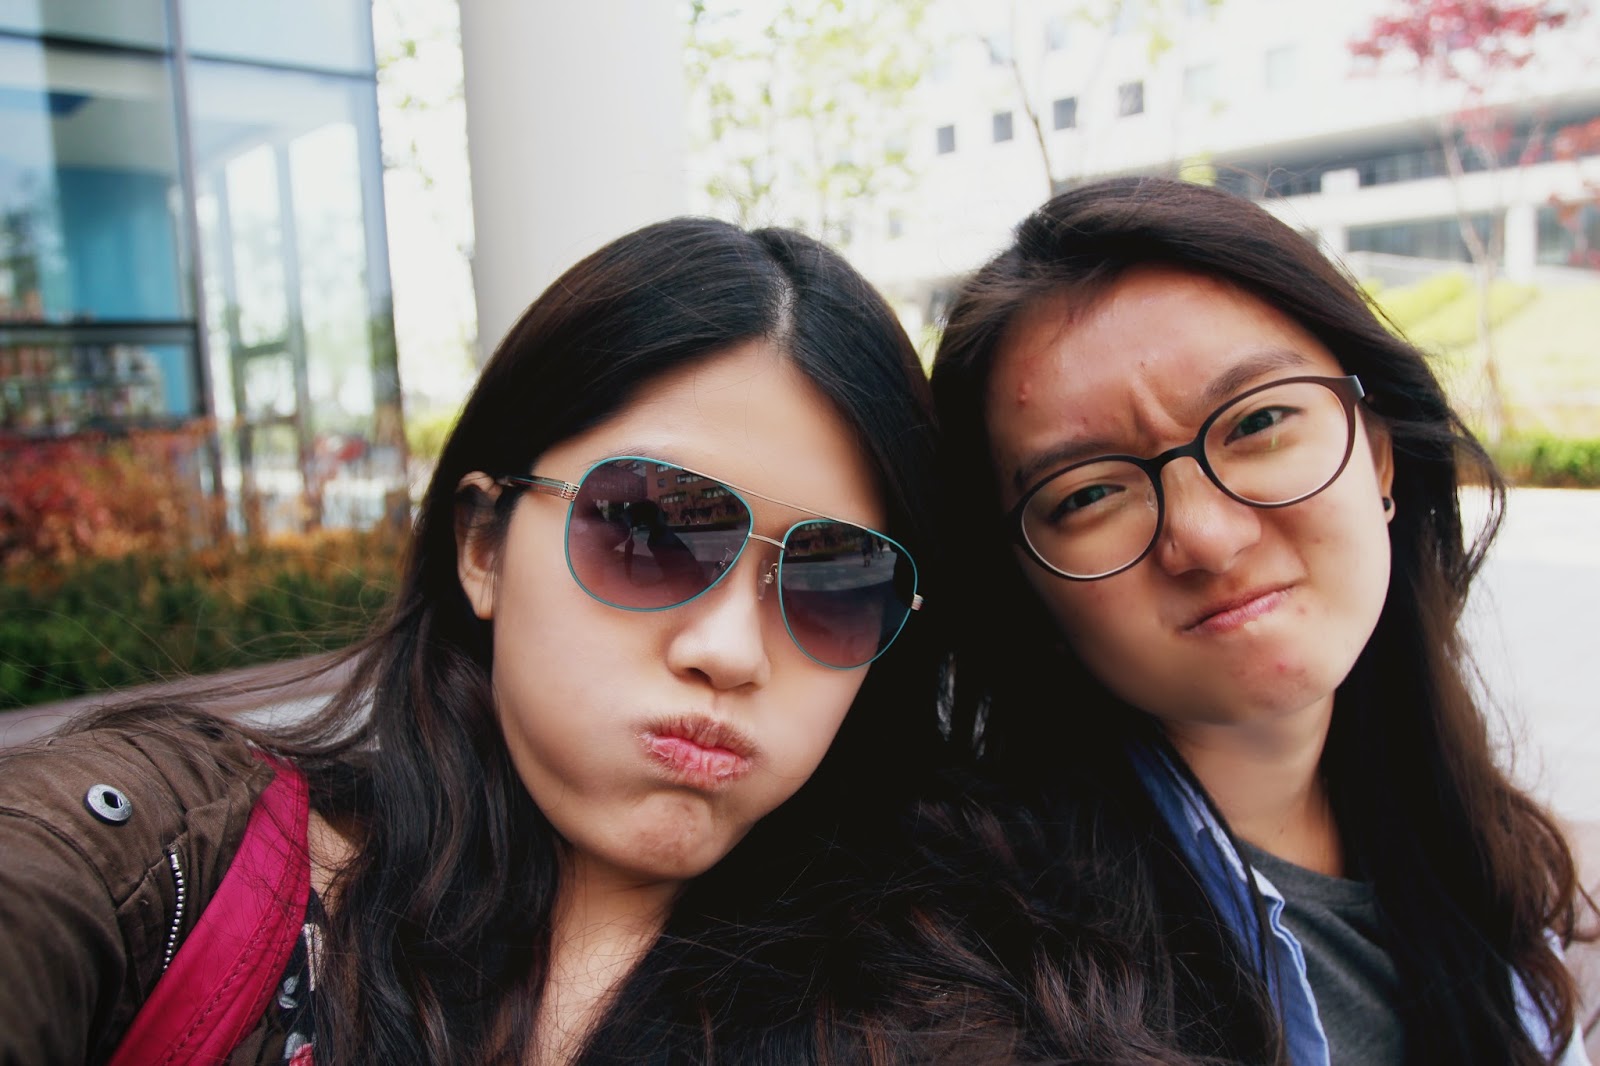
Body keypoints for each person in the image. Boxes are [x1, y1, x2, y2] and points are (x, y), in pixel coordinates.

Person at [0, 218, 963, 1065]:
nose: (731, 651)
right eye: (654, 531)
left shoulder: (945, 999)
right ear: (482, 546)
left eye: (835, 580)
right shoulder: (161, 863)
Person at [930, 176, 1592, 1066]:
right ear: (1023, 585)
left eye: (1260, 421)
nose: (1206, 537)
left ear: (1377, 452)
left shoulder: (1478, 842)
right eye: (1087, 494)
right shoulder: (978, 982)